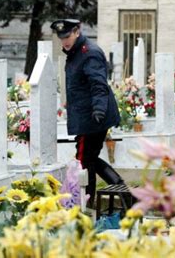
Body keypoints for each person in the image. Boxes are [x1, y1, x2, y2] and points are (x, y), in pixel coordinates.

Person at [50, 18, 124, 207]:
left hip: (93, 117)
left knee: (83, 161)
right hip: (86, 115)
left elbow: (98, 84)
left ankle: (86, 202)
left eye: (67, 36)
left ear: (77, 32)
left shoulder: (89, 52)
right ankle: (117, 189)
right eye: (61, 37)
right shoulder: (75, 52)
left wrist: (98, 108)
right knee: (88, 159)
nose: (64, 41)